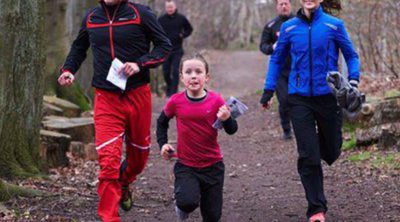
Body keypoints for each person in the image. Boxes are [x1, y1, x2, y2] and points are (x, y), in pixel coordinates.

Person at [58, 0, 172, 221]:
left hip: (137, 94)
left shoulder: (141, 14)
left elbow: (164, 47)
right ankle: (109, 217)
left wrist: (140, 63)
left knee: (138, 158)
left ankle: (125, 181)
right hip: (106, 97)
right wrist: (69, 70)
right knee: (108, 162)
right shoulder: (91, 18)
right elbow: (79, 48)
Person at [260, 0, 359, 221]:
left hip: (329, 97)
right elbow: (276, 59)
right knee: (308, 155)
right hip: (299, 98)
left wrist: (353, 81)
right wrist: (268, 89)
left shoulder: (334, 25)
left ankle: (317, 149)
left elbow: (351, 56)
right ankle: (316, 208)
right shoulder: (289, 28)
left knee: (332, 151)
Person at [156, 53, 238, 222]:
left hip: (213, 166)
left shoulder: (216, 100)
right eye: (188, 72)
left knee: (212, 217)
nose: (193, 76)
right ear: (181, 77)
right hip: (186, 165)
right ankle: (181, 206)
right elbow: (161, 122)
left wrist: (227, 118)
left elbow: (232, 130)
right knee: (187, 202)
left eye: (198, 72)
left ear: (206, 77)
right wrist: (163, 144)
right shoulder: (175, 101)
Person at [260, 0, 294, 140]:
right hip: (280, 71)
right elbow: (263, 46)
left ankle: (301, 126)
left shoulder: (299, 22)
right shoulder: (271, 26)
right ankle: (287, 129)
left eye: (286, 3)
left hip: (298, 69)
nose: (284, 6)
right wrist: (272, 48)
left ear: (290, 5)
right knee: (284, 100)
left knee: (299, 100)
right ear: (277, 7)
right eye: (281, 4)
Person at [158, 0, 193, 97]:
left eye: (171, 7)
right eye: (168, 7)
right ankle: (169, 87)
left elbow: (189, 29)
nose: (169, 9)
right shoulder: (161, 19)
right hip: (165, 50)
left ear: (174, 7)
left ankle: (173, 92)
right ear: (166, 8)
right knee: (165, 72)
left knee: (175, 70)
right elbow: (156, 31)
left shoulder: (181, 18)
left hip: (177, 49)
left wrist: (182, 35)